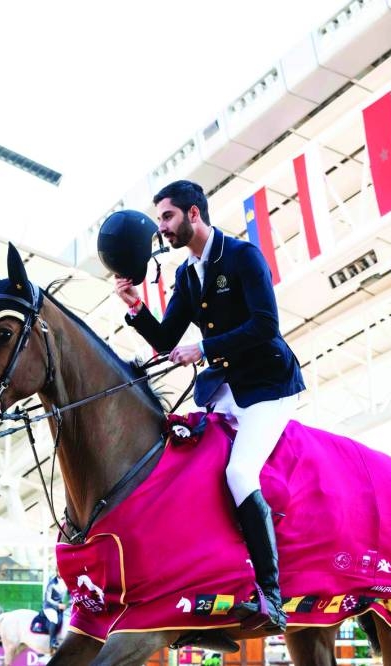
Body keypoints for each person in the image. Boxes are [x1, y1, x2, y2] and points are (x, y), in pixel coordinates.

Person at [116, 180, 305, 632]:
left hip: (268, 387)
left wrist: (202, 349)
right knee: (185, 461)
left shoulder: (242, 257)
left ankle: (271, 596)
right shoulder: (187, 274)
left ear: (194, 214)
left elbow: (266, 325)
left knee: (240, 473)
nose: (161, 228)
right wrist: (136, 307)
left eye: (167, 217)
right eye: (160, 218)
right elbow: (165, 340)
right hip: (224, 388)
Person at [42, 575, 66, 650]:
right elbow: (48, 598)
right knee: (54, 619)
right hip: (50, 607)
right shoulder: (52, 583)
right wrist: (58, 605)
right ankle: (52, 641)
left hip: (61, 607)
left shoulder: (66, 582)